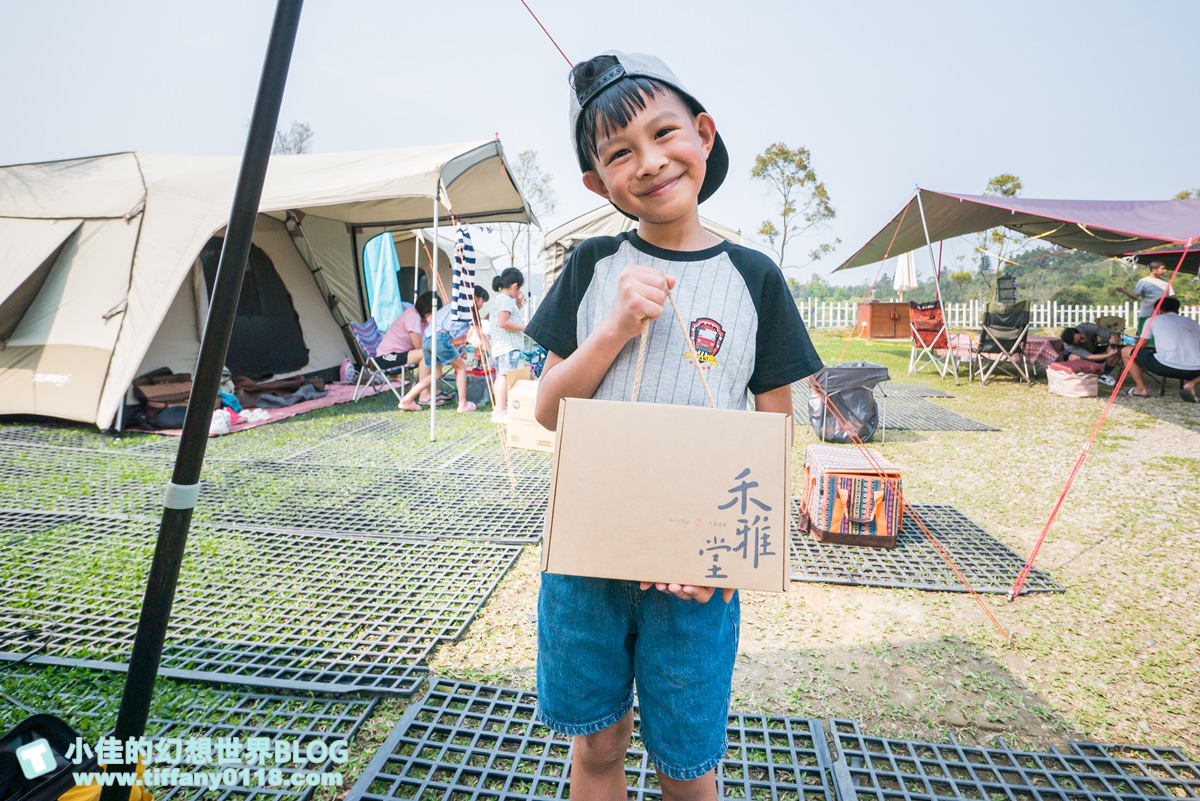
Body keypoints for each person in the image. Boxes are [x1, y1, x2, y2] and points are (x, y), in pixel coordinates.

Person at [523, 51, 822, 801]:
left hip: (699, 574)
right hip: (586, 561)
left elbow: (772, 429)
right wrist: (615, 328)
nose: (649, 162)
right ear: (598, 181)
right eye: (620, 152)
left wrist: (728, 558)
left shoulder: (754, 278)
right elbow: (549, 408)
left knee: (686, 763)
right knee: (598, 745)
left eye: (665, 134)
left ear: (705, 133)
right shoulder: (594, 265)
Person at [396, 285, 489, 413]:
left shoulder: (452, 305)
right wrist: (492, 355)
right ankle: (463, 404)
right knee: (461, 367)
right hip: (440, 337)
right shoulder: (468, 310)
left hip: (428, 338)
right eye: (481, 301)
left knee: (436, 373)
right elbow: (480, 336)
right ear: (475, 298)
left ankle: (407, 399)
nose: (482, 305)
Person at [1119, 297, 1200, 401]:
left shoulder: (1152, 320)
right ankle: (1191, 383)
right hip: (1196, 370)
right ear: (1177, 309)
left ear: (1158, 310)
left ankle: (1140, 388)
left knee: (1126, 351)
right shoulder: (1192, 322)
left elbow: (1141, 347)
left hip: (1165, 366)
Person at [489, 267, 528, 423]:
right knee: (504, 377)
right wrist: (524, 327)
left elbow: (505, 318)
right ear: (515, 286)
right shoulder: (505, 299)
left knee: (501, 377)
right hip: (508, 345)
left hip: (501, 345)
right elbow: (503, 322)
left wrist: (518, 305)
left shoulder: (500, 299)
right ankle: (500, 410)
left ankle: (499, 409)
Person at [1117, 260, 1174, 333]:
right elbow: (1135, 296)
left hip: (1163, 316)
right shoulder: (1143, 282)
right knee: (1145, 334)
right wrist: (1124, 291)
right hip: (1147, 314)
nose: (1165, 271)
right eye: (1162, 269)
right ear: (1154, 270)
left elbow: (1171, 297)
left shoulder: (1166, 282)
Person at [1060, 321, 1122, 385]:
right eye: (1079, 343)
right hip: (1083, 357)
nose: (1083, 341)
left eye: (1082, 337)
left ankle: (1104, 374)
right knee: (1074, 358)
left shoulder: (1088, 327)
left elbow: (1111, 334)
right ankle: (1082, 376)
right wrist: (1109, 354)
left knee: (1116, 349)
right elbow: (1089, 356)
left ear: (1079, 331)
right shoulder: (1068, 346)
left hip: (1094, 350)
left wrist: (1113, 337)